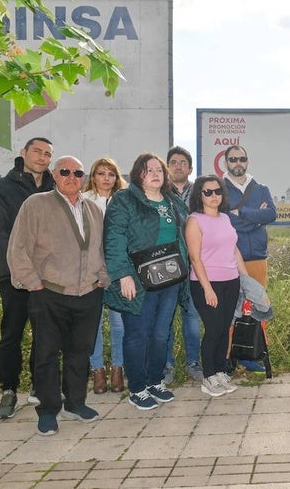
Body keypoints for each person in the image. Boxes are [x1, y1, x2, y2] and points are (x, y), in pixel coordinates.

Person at [7, 156, 110, 436]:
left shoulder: (93, 208)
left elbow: (98, 249)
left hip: (88, 294)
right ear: (54, 174)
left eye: (77, 172)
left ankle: (75, 403)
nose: (71, 177)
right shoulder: (36, 205)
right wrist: (33, 283)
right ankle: (48, 410)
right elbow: (17, 248)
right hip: (49, 293)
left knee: (80, 352)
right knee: (46, 355)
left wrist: (102, 278)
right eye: (65, 171)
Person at [103, 153, 190, 410]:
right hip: (137, 281)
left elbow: (184, 236)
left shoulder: (172, 201)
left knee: (161, 334)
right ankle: (138, 388)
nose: (154, 173)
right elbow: (114, 238)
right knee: (137, 335)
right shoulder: (124, 200)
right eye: (147, 169)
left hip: (170, 278)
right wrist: (122, 275)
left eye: (158, 170)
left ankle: (155, 381)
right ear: (137, 173)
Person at [0, 137, 55, 420]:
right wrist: (23, 268)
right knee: (12, 333)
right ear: (23, 152)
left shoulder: (55, 188)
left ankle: (39, 387)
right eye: (37, 151)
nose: (42, 157)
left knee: (46, 335)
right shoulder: (1, 188)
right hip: (15, 275)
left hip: (49, 277)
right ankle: (9, 390)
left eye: (47, 154)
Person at [185, 175, 248, 396]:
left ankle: (221, 371)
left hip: (231, 281)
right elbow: (195, 258)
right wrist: (207, 289)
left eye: (217, 191)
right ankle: (209, 376)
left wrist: (245, 280)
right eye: (208, 192)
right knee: (212, 330)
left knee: (224, 329)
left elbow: (234, 249)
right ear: (199, 196)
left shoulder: (225, 218)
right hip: (206, 283)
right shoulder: (195, 220)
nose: (213, 196)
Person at [223, 145, 277, 373]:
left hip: (256, 257)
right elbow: (225, 221)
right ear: (226, 162)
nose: (238, 163)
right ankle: (225, 358)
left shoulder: (261, 188)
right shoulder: (219, 189)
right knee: (228, 311)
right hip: (227, 258)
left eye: (242, 158)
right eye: (233, 159)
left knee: (256, 307)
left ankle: (250, 354)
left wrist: (242, 213)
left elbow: (271, 214)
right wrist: (256, 219)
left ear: (248, 161)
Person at [82, 157, 128, 394]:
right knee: (95, 324)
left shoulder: (124, 200)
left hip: (119, 271)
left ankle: (118, 369)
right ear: (93, 177)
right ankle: (98, 370)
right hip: (92, 272)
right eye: (101, 173)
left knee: (119, 324)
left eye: (111, 173)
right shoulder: (83, 201)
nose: (106, 178)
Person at [165, 146, 203, 383]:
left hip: (193, 262)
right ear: (167, 167)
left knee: (191, 316)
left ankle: (193, 363)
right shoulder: (160, 192)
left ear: (190, 168)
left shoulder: (200, 192)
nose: (178, 166)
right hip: (166, 263)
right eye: (173, 162)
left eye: (182, 162)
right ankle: (167, 365)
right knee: (166, 317)